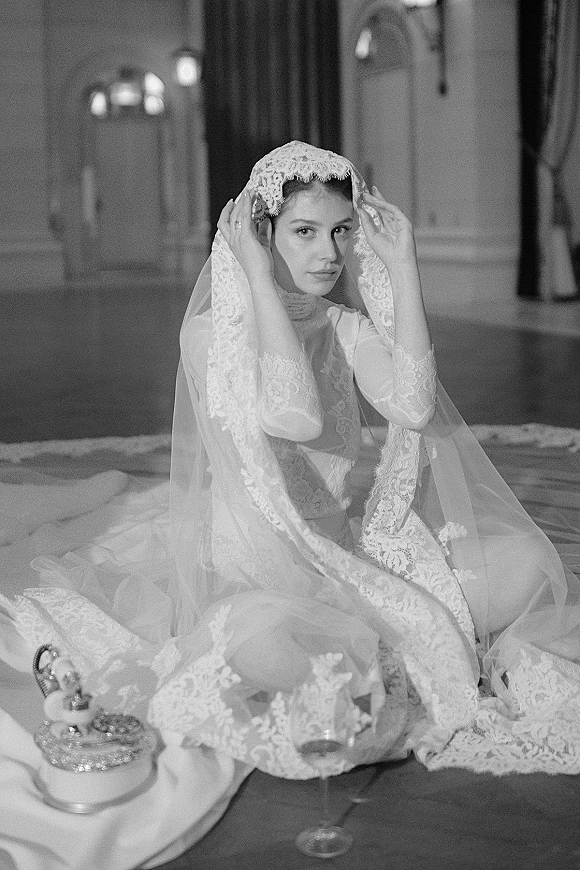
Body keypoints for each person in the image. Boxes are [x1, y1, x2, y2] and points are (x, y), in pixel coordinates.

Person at [2, 141, 580, 791]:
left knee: (528, 565)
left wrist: (404, 264)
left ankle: (398, 654)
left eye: (340, 231)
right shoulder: (210, 333)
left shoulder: (343, 324)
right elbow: (295, 415)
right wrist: (253, 276)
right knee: (289, 652)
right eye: (303, 232)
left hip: (350, 553)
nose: (328, 252)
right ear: (261, 232)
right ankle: (393, 659)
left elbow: (414, 407)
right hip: (261, 572)